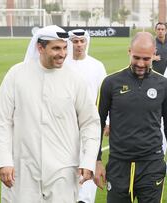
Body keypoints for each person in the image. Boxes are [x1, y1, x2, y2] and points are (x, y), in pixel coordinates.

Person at [0, 25, 101, 202]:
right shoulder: (16, 75)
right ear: (40, 48)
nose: (63, 53)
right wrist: (4, 161)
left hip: (63, 171)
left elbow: (90, 123)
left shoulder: (75, 79)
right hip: (23, 170)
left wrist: (88, 160)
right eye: (56, 48)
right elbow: (2, 121)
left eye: (65, 47)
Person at [94, 32, 167, 203]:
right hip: (119, 164)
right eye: (136, 57)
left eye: (146, 59)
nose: (141, 64)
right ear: (129, 52)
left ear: (154, 55)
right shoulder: (110, 83)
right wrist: (96, 161)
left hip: (151, 165)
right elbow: (97, 123)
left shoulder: (165, 86)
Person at [65, 29, 108, 203]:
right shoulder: (63, 64)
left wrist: (108, 122)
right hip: (65, 124)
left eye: (82, 41)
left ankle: (85, 199)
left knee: (88, 159)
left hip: (90, 123)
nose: (79, 45)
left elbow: (105, 96)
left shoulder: (96, 66)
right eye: (75, 41)